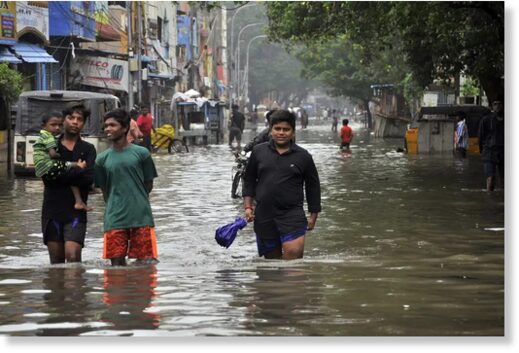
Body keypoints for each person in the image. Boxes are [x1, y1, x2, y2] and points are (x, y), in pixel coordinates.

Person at [242, 110, 321, 260]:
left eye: (286, 129)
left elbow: (313, 187)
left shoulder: (303, 156)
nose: (281, 133)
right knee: (272, 263)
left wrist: (313, 215)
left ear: (293, 132)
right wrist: (248, 207)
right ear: (271, 130)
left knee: (293, 256)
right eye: (277, 129)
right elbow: (249, 180)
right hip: (265, 216)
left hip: (292, 214)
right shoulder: (258, 152)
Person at [95, 108, 159, 266]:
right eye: (106, 126)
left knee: (145, 266)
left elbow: (148, 185)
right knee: (116, 267)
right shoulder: (101, 160)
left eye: (112, 125)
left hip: (141, 217)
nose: (108, 129)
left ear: (124, 128)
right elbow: (104, 191)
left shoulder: (142, 154)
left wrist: (135, 199)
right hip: (114, 218)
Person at [41, 104, 96, 264]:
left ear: (84, 124)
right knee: (56, 262)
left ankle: (76, 290)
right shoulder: (50, 147)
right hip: (52, 211)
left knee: (73, 257)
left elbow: (88, 178)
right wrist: (77, 170)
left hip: (76, 212)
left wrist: (61, 171)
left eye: (79, 119)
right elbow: (47, 177)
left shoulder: (88, 149)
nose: (75, 122)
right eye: (71, 118)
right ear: (64, 120)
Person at [33, 112, 90, 211]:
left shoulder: (44, 136)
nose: (57, 128)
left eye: (60, 125)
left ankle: (79, 201)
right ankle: (79, 200)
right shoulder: (49, 137)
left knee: (69, 174)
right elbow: (53, 154)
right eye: (53, 125)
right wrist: (60, 155)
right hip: (47, 165)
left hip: (41, 168)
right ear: (43, 126)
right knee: (70, 167)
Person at [478, 100, 504, 191]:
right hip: (489, 151)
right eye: (495, 104)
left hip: (503, 151)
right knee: (490, 177)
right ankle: (489, 196)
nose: (498, 106)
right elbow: (481, 136)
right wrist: (482, 151)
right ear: (491, 107)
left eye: (499, 104)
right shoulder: (486, 119)